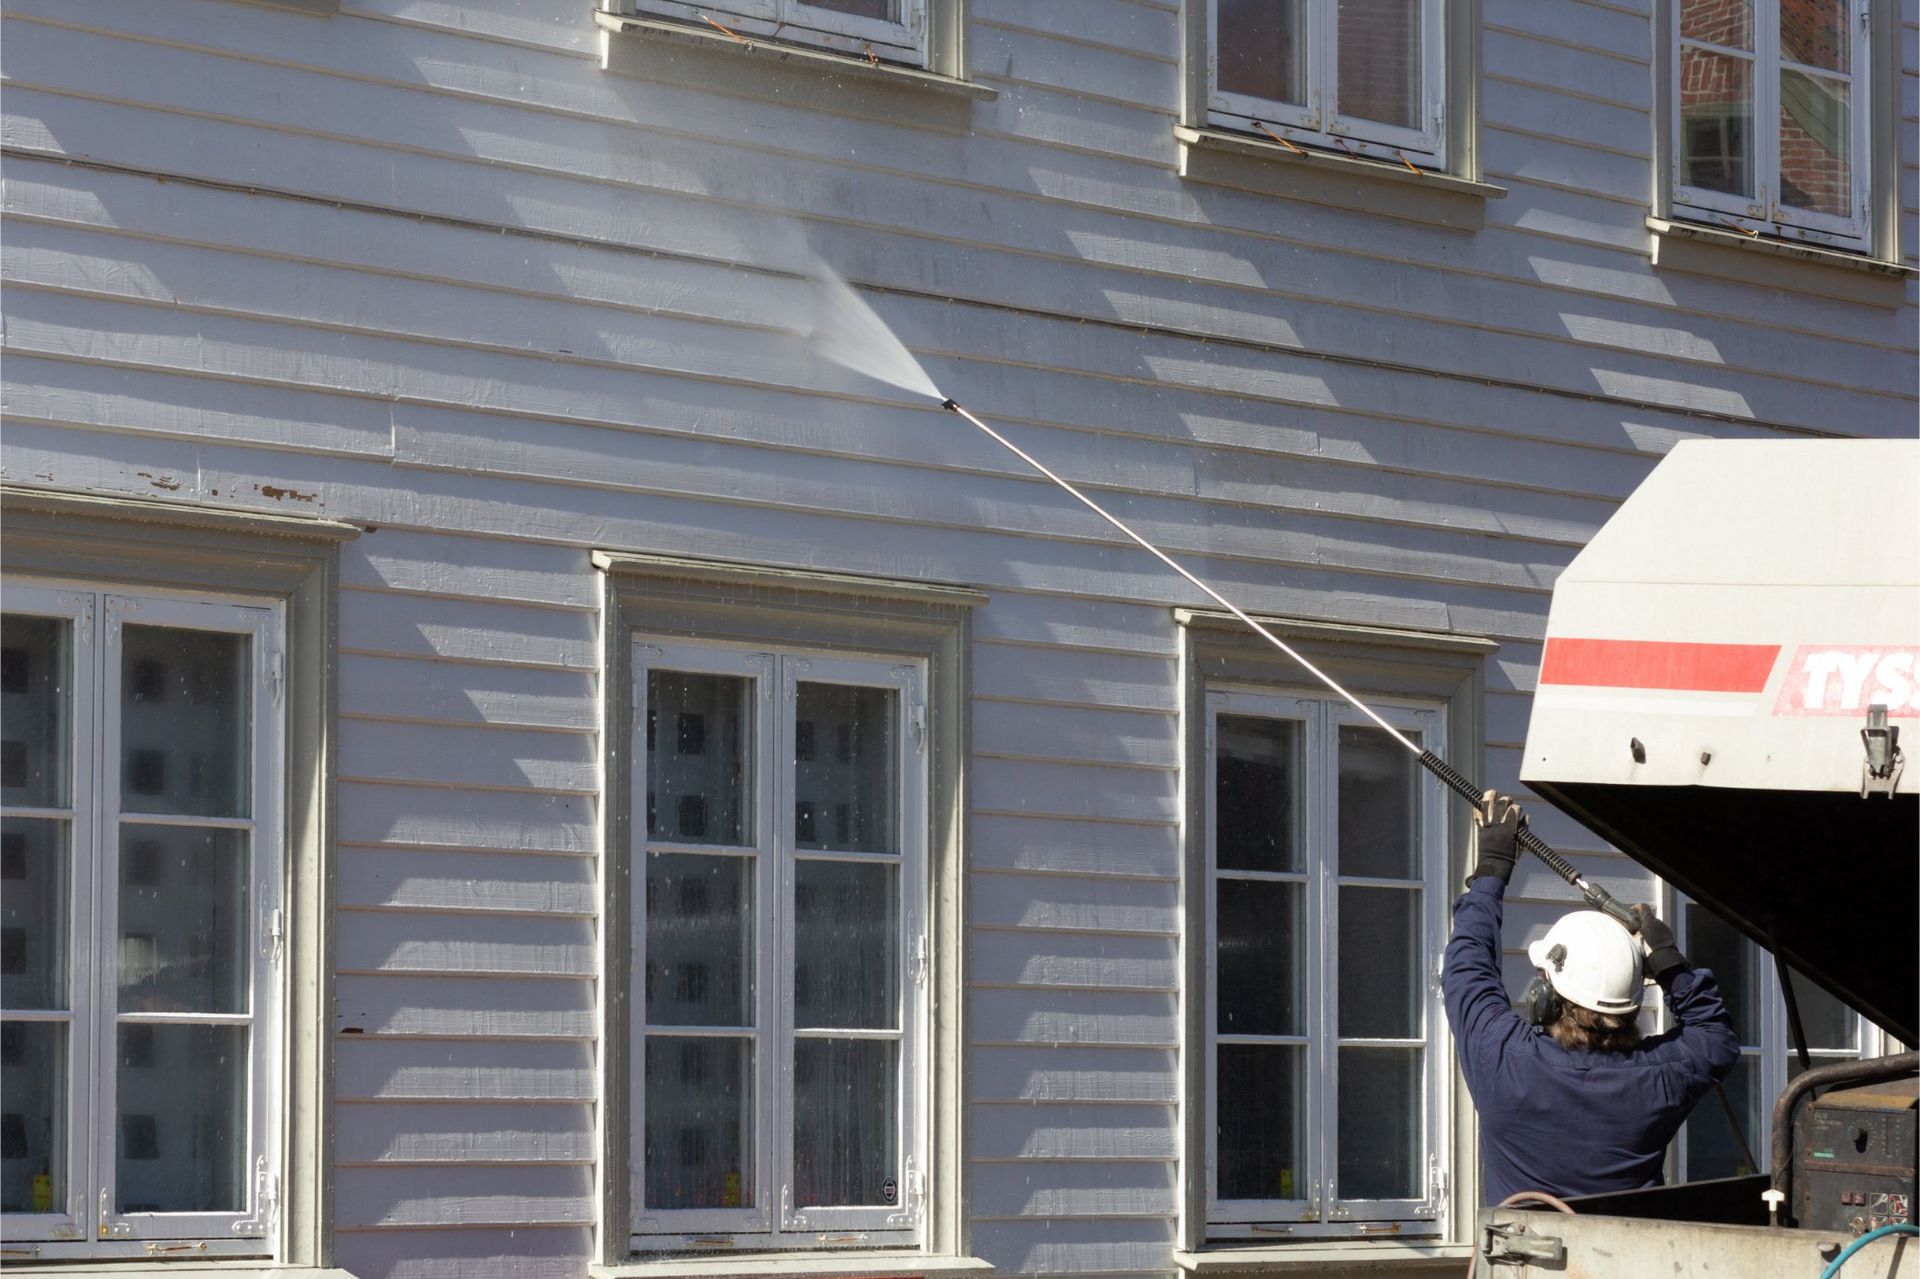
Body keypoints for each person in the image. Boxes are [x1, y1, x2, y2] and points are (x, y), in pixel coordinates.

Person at [1443, 791, 1739, 1204]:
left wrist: (1492, 868)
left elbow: (1467, 965)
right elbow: (1715, 1037)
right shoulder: (1662, 1074)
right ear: (1634, 1001)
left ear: (1546, 996)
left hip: (1521, 1265)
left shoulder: (1503, 1057)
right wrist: (1670, 966)